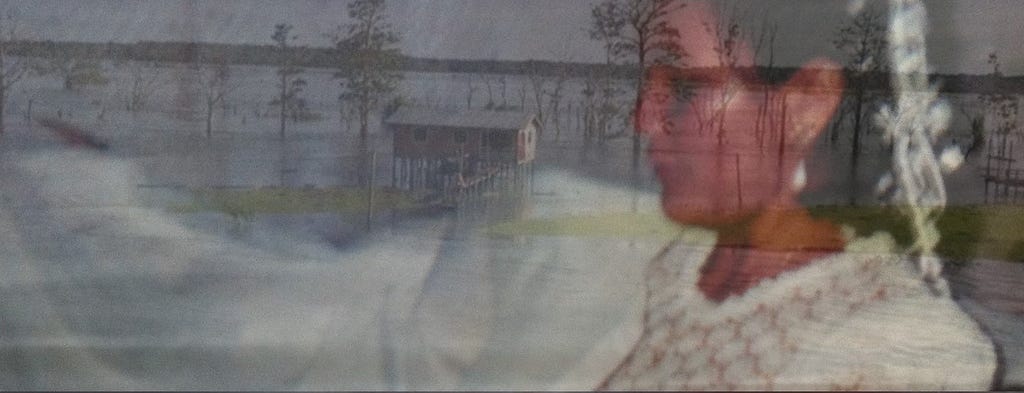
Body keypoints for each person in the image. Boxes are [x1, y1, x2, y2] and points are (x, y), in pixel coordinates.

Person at [595, 2, 997, 390]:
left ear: (808, 104)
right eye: (646, 81)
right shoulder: (678, 268)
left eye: (682, 87)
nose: (642, 118)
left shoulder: (893, 352)